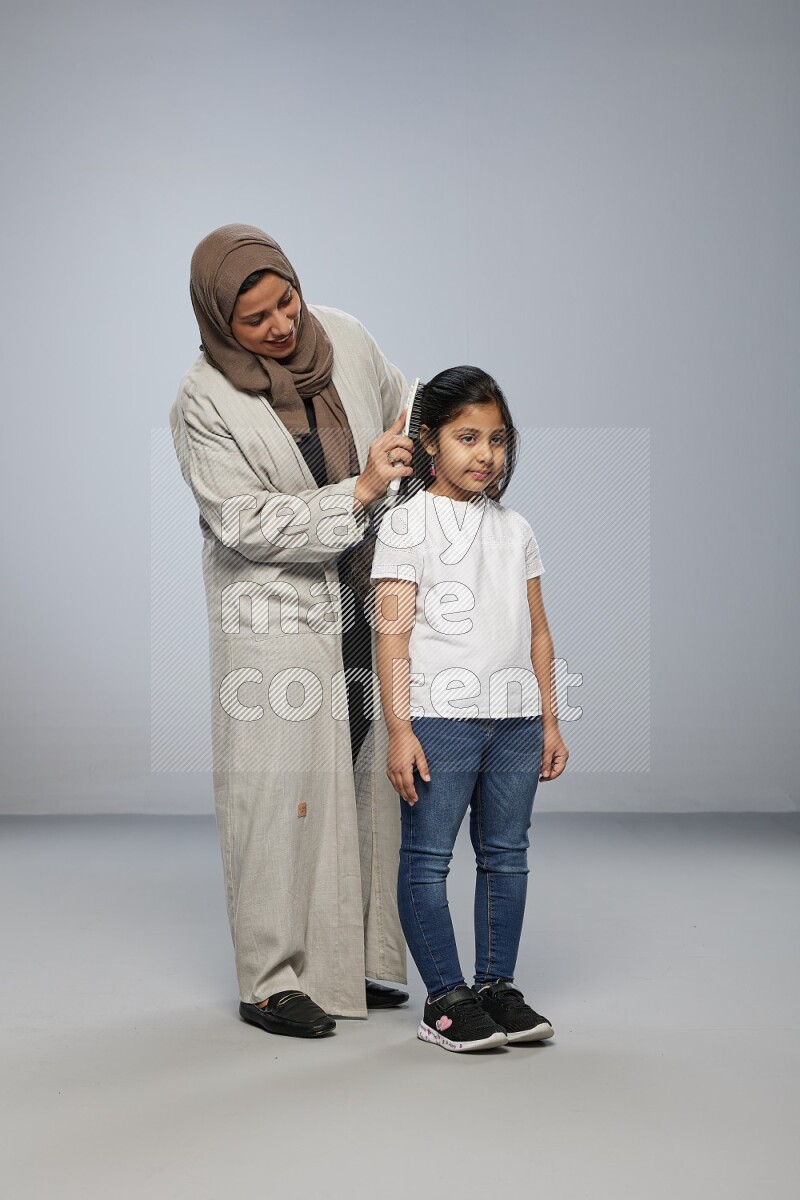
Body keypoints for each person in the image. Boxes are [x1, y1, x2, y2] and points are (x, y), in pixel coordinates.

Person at [170, 223, 416, 1037]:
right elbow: (242, 522)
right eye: (255, 318)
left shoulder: (344, 335)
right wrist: (357, 491)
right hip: (273, 607)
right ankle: (269, 982)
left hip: (363, 594)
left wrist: (418, 461)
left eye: (286, 301)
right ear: (217, 322)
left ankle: (358, 962)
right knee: (277, 794)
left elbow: (402, 405)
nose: (280, 325)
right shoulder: (203, 401)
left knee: (364, 782)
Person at [370, 365, 570, 1052]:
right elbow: (391, 634)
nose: (485, 454)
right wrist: (400, 728)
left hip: (514, 720)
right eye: (466, 438)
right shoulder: (405, 525)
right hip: (439, 719)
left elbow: (537, 630)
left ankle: (495, 988)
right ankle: (445, 999)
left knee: (506, 856)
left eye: (497, 439)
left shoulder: (517, 530)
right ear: (429, 441)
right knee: (428, 858)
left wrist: (547, 719)